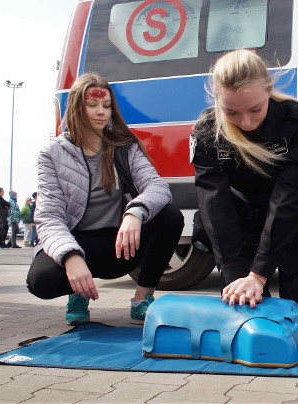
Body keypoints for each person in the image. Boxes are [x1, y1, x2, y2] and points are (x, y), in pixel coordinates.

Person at [26, 72, 184, 325]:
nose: (101, 111)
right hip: (77, 242)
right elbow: (49, 216)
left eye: (107, 105)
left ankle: (142, 300)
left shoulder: (124, 145)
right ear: (78, 107)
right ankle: (77, 294)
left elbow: (157, 187)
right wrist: (70, 256)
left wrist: (135, 212)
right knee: (40, 281)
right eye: (92, 105)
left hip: (118, 244)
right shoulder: (52, 153)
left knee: (170, 216)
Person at [192, 49, 298, 316]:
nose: (246, 122)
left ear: (269, 90)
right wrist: (235, 273)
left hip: (295, 221)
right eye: (231, 112)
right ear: (218, 100)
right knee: (246, 313)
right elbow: (214, 203)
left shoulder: (297, 120)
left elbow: (291, 195)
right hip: (239, 225)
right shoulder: (207, 130)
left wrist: (259, 273)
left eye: (255, 109)